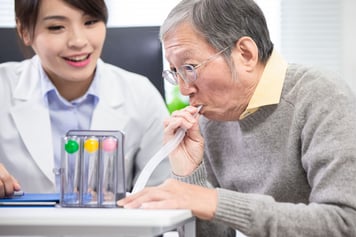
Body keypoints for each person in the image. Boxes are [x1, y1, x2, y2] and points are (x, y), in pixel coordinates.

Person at [118, 0, 356, 236]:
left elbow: (346, 222)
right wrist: (189, 175)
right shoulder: (211, 121)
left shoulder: (320, 96)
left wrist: (213, 201)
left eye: (189, 68)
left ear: (245, 54)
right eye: (175, 72)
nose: (183, 89)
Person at [0, 0, 170, 198]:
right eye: (57, 27)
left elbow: (164, 193)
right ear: (24, 32)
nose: (78, 41)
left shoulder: (140, 94)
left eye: (90, 22)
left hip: (111, 228)